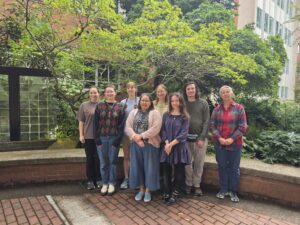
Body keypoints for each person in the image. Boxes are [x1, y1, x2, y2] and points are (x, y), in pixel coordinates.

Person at [210, 85, 247, 203]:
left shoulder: (239, 108)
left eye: (227, 92)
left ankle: (233, 191)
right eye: (223, 92)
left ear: (231, 93)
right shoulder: (216, 109)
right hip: (220, 144)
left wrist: (231, 139)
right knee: (222, 167)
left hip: (235, 144)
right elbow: (212, 126)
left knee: (234, 168)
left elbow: (242, 127)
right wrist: (219, 138)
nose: (225, 94)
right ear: (221, 95)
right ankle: (223, 189)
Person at [125, 93, 162, 203]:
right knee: (138, 167)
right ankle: (141, 189)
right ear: (139, 102)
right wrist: (135, 138)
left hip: (150, 145)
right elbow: (127, 126)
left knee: (150, 168)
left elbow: (156, 128)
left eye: (147, 101)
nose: (144, 103)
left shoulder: (155, 113)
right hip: (136, 145)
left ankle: (148, 191)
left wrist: (141, 136)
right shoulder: (133, 112)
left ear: (150, 102)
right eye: (142, 100)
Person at [94, 84, 125, 196]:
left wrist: (117, 141)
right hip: (101, 138)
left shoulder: (120, 107)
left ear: (115, 93)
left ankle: (112, 183)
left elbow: (122, 126)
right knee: (103, 162)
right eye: (107, 92)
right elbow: (95, 124)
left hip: (113, 138)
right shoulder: (99, 106)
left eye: (111, 92)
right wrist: (97, 140)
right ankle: (105, 183)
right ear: (105, 93)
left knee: (112, 162)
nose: (109, 94)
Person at [160, 92, 190, 205]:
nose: (174, 103)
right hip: (167, 147)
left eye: (177, 101)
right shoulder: (166, 115)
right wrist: (167, 143)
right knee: (166, 171)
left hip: (179, 147)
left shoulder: (185, 117)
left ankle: (175, 193)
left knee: (179, 172)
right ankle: (167, 192)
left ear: (181, 102)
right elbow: (163, 130)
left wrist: (171, 144)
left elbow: (183, 134)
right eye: (172, 101)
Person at [183, 81, 210, 196]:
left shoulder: (203, 103)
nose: (190, 91)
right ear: (185, 91)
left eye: (192, 89)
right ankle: (188, 184)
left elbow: (206, 121)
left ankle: (197, 185)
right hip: (185, 140)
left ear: (196, 90)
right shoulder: (182, 104)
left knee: (199, 163)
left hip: (200, 140)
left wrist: (202, 137)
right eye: (188, 89)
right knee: (187, 164)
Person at [77, 87, 101, 190]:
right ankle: (90, 180)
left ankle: (99, 179)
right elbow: (81, 122)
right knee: (90, 159)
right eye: (91, 93)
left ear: (98, 94)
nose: (93, 94)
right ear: (89, 94)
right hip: (88, 137)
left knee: (98, 159)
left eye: (95, 92)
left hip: (100, 137)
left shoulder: (102, 105)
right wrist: (81, 135)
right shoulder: (84, 105)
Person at [120, 82, 140, 189]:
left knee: (136, 157)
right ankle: (126, 178)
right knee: (126, 157)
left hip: (138, 135)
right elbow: (119, 118)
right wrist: (122, 110)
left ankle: (135, 178)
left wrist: (140, 109)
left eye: (132, 87)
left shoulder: (141, 101)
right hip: (126, 134)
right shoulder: (123, 102)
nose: (131, 89)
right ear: (127, 90)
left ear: (136, 89)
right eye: (128, 87)